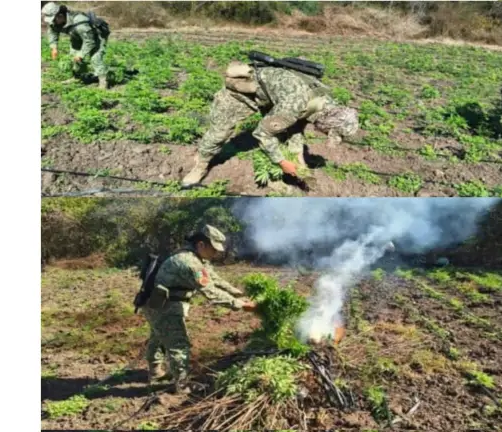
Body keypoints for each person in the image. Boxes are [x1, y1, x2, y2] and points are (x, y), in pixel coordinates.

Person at [181, 61, 360, 186]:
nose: (323, 133)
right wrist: (282, 162)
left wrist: (298, 159)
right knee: (219, 132)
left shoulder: (325, 104)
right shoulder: (294, 106)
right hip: (242, 93)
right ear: (328, 124)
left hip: (272, 95)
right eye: (327, 132)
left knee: (289, 125)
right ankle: (201, 164)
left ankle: (298, 163)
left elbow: (298, 126)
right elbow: (261, 133)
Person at [139, 225, 256, 394]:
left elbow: (215, 279)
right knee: (179, 344)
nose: (216, 254)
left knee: (158, 336)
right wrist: (241, 305)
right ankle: (182, 385)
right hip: (164, 306)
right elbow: (210, 291)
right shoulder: (190, 263)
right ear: (201, 245)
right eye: (213, 249)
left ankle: (156, 372)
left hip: (159, 303)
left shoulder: (198, 259)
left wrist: (238, 294)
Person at [41, 2, 111, 90]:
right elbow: (52, 32)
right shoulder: (56, 21)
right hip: (77, 36)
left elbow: (90, 41)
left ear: (60, 15)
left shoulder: (80, 22)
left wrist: (81, 55)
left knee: (95, 58)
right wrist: (54, 47)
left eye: (54, 19)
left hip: (96, 36)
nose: (53, 22)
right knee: (74, 55)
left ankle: (103, 81)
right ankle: (78, 77)